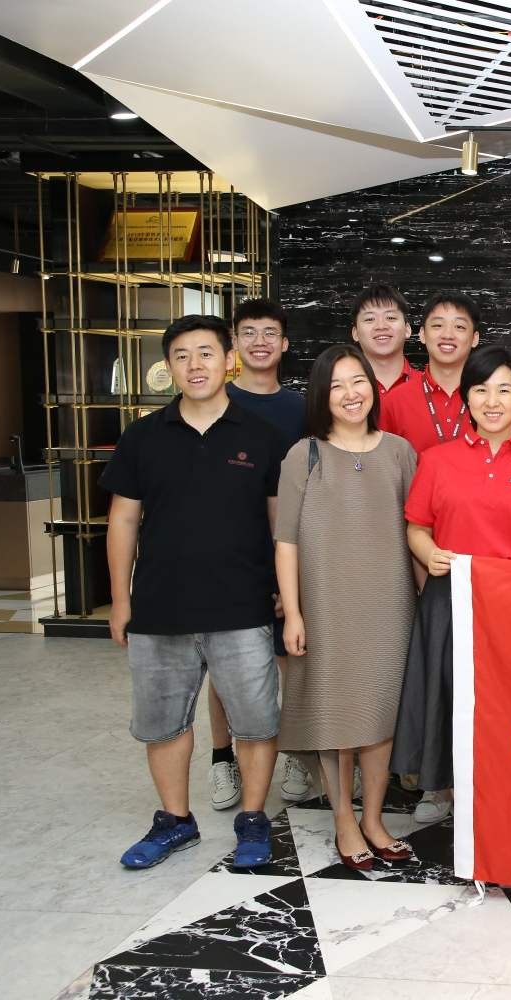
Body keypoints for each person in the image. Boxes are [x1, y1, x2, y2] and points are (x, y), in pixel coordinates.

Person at [103, 315, 283, 870]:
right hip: (161, 607)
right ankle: (175, 821)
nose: (195, 365)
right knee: (163, 725)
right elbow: (122, 521)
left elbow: (280, 524)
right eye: (181, 356)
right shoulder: (142, 436)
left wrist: (284, 591)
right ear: (169, 367)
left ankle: (252, 819)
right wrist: (121, 600)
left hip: (242, 605)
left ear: (228, 359)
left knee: (256, 723)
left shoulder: (261, 435)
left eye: (206, 353)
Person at [394, 346, 511, 824]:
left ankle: (506, 785)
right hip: (450, 598)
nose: (493, 401)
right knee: (446, 693)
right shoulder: (436, 461)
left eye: (505, 390)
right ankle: (440, 786)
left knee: (506, 699)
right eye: (482, 390)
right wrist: (429, 553)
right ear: (467, 397)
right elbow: (417, 528)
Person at [275, 344, 420, 870]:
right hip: (327, 607)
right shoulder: (304, 455)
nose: (350, 393)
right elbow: (286, 540)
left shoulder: (400, 452)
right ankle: (343, 820)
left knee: (381, 716)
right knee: (336, 716)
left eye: (358, 381)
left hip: (390, 606)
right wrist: (294, 613)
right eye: (336, 385)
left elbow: (417, 531)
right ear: (322, 395)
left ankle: (374, 818)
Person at [203, 299, 308, 810]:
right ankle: (221, 758)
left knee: (292, 660)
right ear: (234, 345)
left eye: (270, 333)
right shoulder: (214, 402)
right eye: (249, 332)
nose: (260, 342)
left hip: (290, 550)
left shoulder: (301, 408)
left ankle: (294, 751)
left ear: (284, 344)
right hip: (230, 556)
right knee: (225, 666)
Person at [380, 293, 482, 455]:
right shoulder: (395, 402)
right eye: (437, 325)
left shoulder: (491, 399)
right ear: (422, 334)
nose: (448, 335)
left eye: (459, 327)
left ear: (475, 338)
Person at [350, 283, 418, 394]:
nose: (381, 326)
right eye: (369, 319)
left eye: (390, 317)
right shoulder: (340, 392)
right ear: (355, 333)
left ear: (407, 329)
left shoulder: (430, 388)